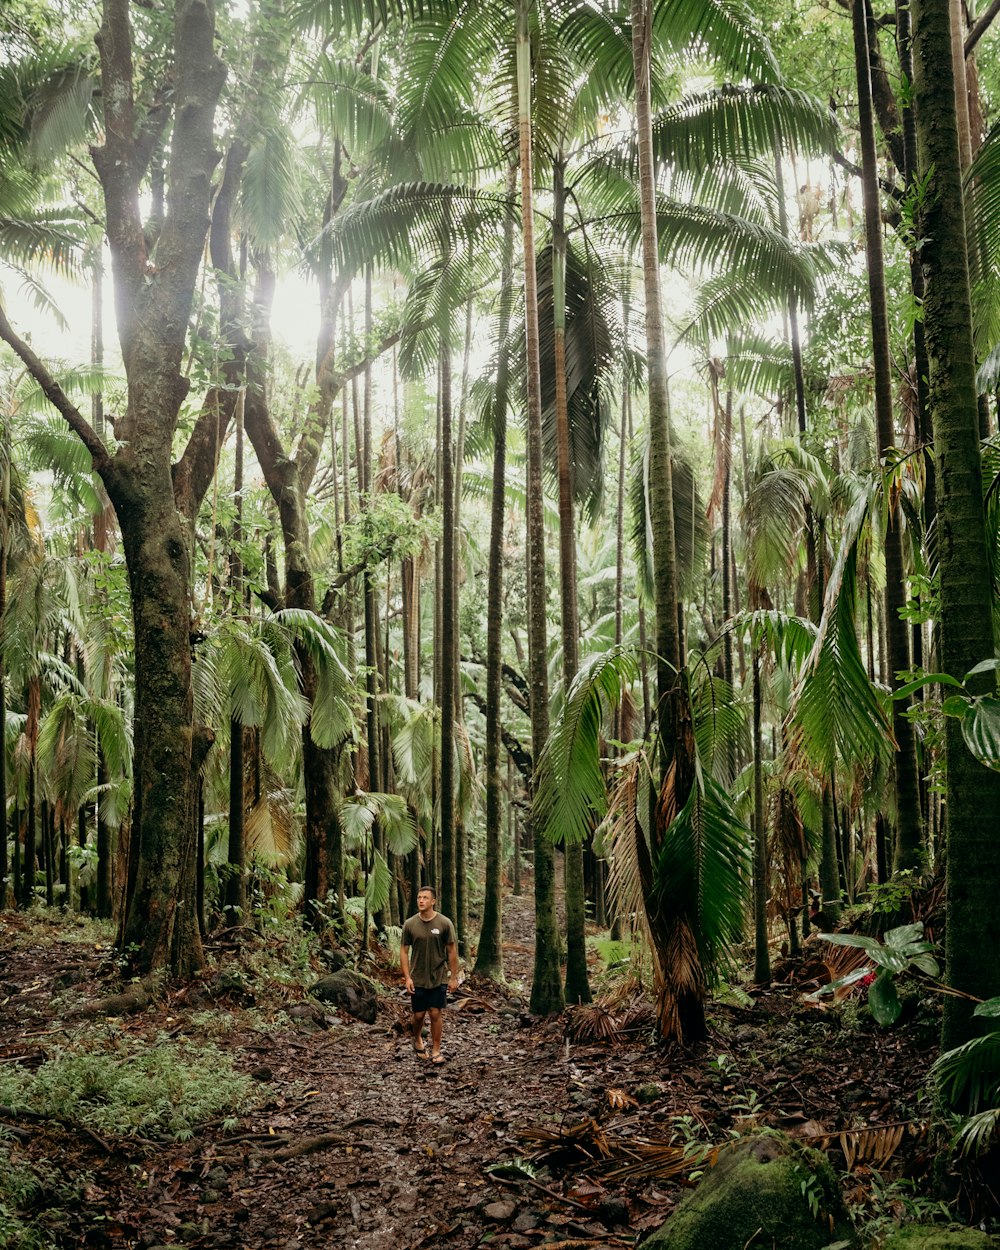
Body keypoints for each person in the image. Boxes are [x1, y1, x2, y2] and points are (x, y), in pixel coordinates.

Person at [400, 885, 459, 1064]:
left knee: (435, 1013)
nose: (421, 901)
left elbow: (452, 951)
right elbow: (403, 951)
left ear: (433, 901)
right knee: (418, 1015)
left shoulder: (444, 923)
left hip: (438, 975)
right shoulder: (410, 924)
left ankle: (436, 1049)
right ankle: (417, 1038)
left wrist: (453, 977)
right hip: (417, 977)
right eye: (419, 898)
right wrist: (407, 977)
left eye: (425, 898)